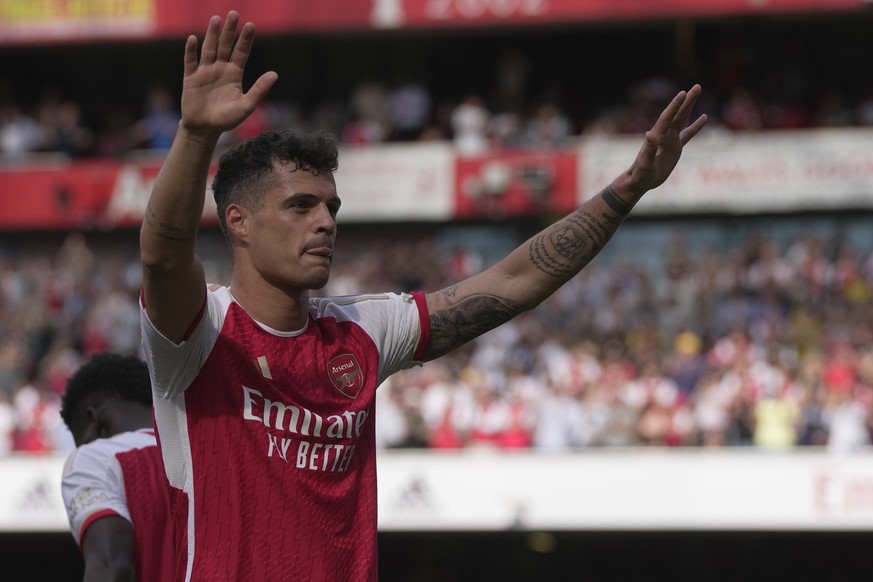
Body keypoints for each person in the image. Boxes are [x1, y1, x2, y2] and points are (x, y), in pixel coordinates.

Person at [138, 10, 707, 582]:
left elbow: (511, 284)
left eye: (330, 207)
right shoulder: (199, 332)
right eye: (299, 206)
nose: (325, 223)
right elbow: (163, 254)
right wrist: (195, 134)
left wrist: (627, 189)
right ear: (238, 222)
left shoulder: (364, 330)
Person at [59, 352, 173, 582]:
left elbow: (111, 569)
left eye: (81, 439)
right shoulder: (211, 454)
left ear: (94, 420)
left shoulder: (95, 457)